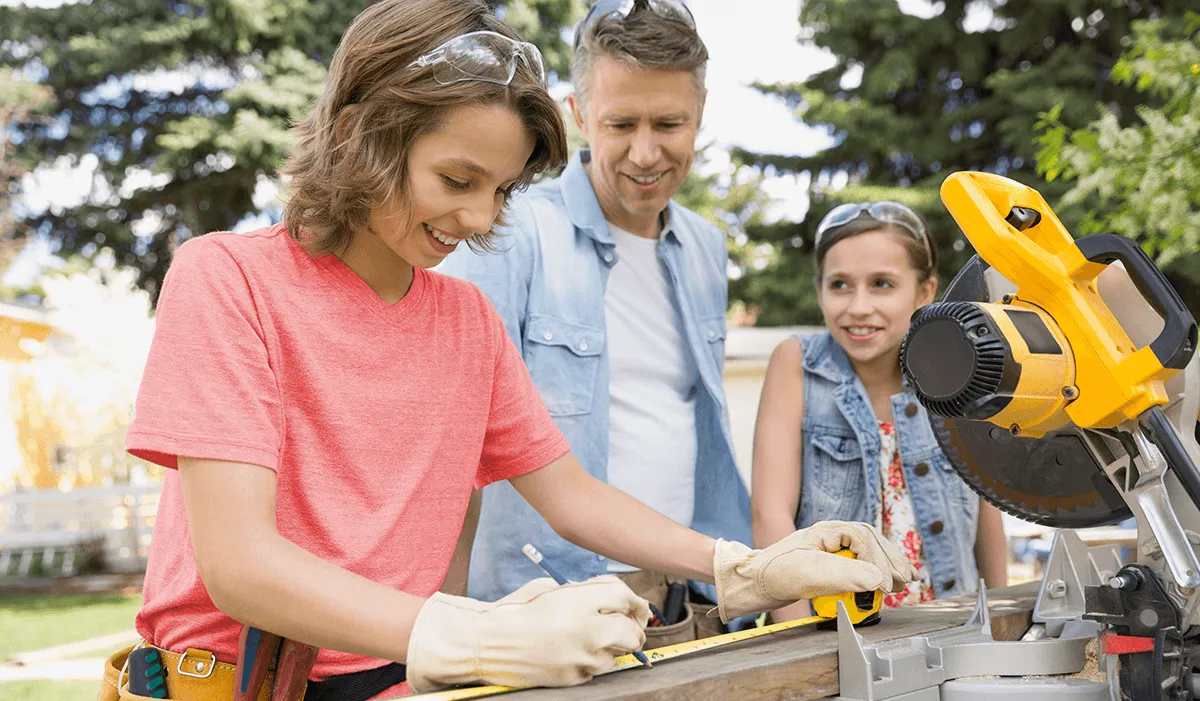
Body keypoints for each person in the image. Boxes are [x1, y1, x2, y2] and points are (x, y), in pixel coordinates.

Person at [98, 2, 917, 700]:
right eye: (457, 181)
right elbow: (239, 563)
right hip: (231, 680)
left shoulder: (466, 320)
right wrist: (474, 635)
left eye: (502, 190)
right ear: (359, 137)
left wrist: (745, 565)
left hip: (398, 676)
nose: (485, 220)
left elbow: (570, 494)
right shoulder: (228, 279)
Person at [438, 0, 754, 643]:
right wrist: (443, 618)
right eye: (620, 124)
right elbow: (456, 436)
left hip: (688, 589)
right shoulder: (512, 230)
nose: (646, 153)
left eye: (669, 123)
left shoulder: (705, 247)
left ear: (700, 114)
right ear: (578, 114)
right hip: (548, 596)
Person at [750, 201, 1009, 623]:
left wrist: (1000, 623)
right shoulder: (796, 363)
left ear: (925, 292)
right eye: (839, 285)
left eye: (882, 284)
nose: (858, 307)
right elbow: (770, 515)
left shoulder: (956, 372)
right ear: (820, 290)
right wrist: (798, 638)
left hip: (950, 628)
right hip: (835, 635)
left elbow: (986, 509)